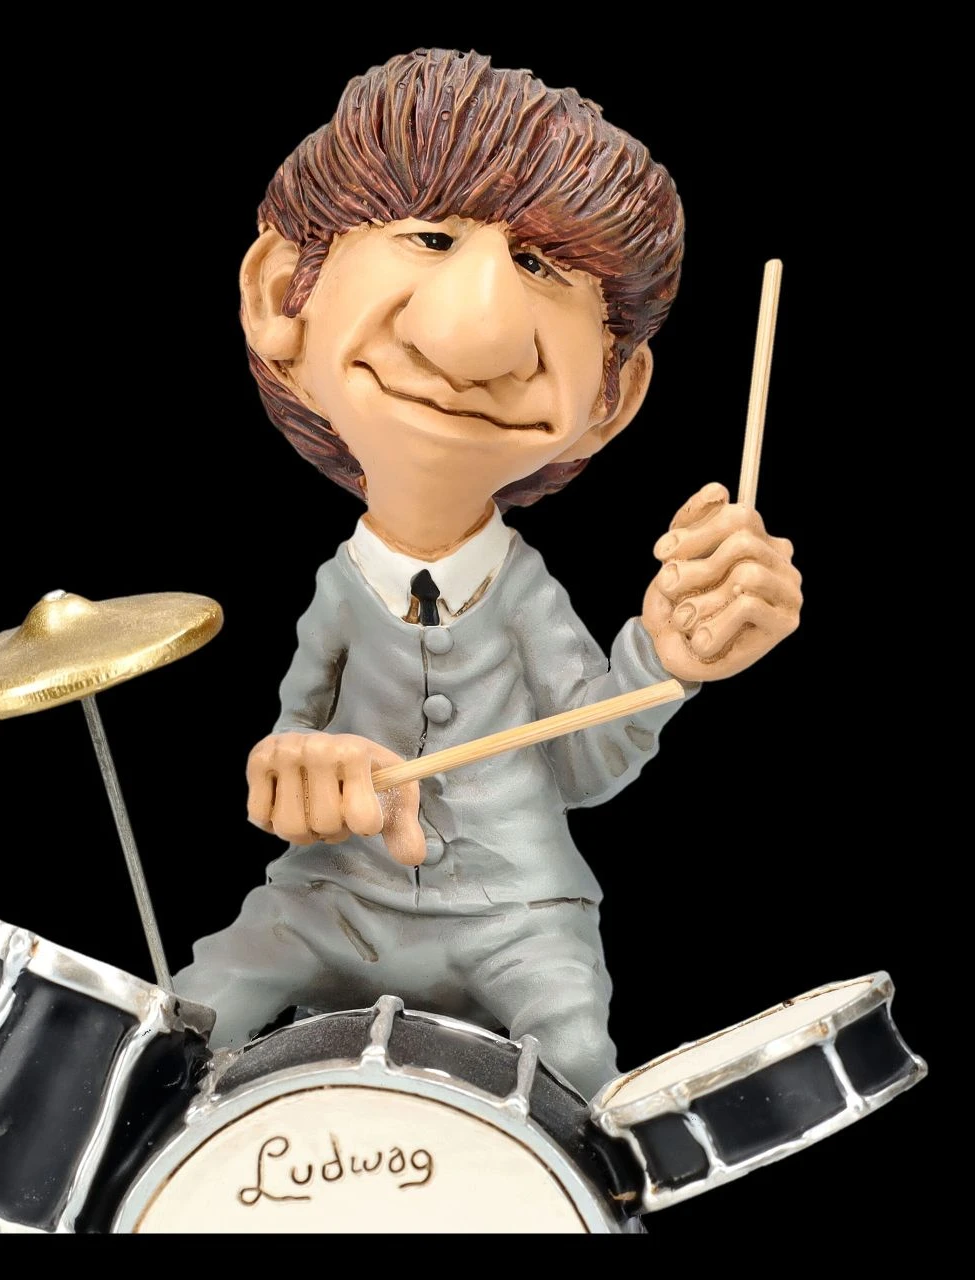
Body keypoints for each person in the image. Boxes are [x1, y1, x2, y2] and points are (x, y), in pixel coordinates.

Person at [173, 48, 802, 1100]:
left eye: (544, 269)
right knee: (180, 1021)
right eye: (429, 237)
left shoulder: (526, 596)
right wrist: (297, 774)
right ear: (284, 296)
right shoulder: (338, 593)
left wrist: (666, 660)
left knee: (583, 1089)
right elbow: (294, 739)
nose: (474, 336)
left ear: (610, 396)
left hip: (520, 912)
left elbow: (585, 764)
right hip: (331, 903)